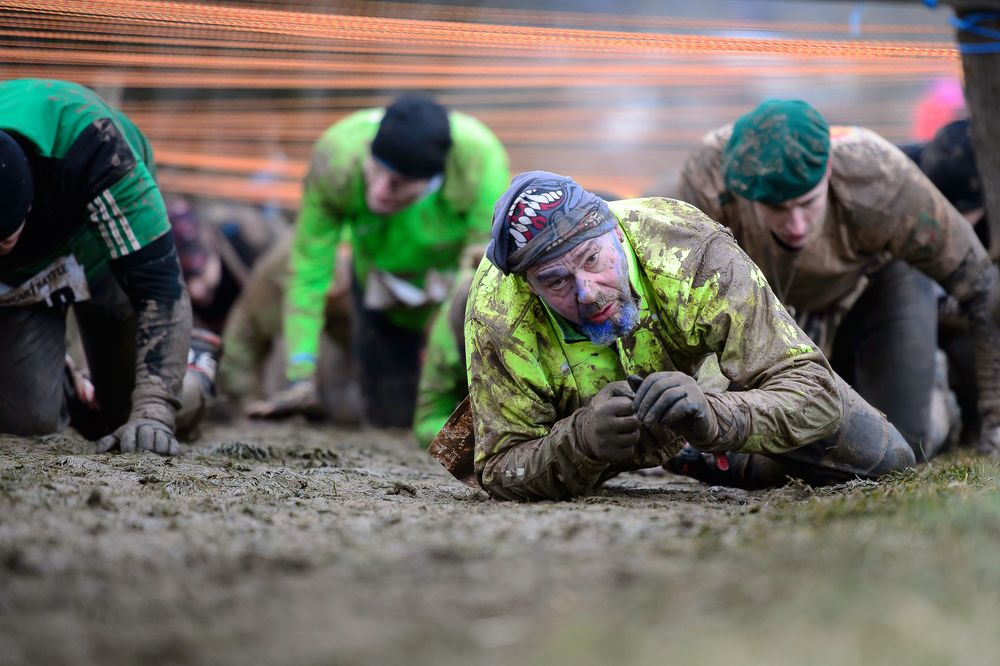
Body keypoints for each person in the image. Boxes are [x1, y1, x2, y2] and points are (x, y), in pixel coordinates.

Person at [465, 171, 914, 502]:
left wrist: (718, 415)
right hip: (577, 416)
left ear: (617, 234)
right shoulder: (497, 314)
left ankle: (687, 447)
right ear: (527, 284)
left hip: (712, 385)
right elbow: (496, 467)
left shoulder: (690, 249)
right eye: (556, 282)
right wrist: (581, 441)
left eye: (592, 260)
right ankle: (665, 441)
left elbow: (812, 391)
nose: (586, 291)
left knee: (888, 459)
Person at [673, 100, 1000, 460]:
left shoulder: (880, 176)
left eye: (807, 203)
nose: (795, 225)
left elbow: (982, 286)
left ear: (828, 169)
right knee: (747, 444)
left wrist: (996, 421)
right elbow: (681, 302)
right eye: (777, 209)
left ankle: (936, 395)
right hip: (761, 306)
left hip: (873, 290)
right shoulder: (706, 180)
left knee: (902, 447)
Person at [247, 93, 509, 428]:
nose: (380, 191)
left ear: (431, 181)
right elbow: (310, 270)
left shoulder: (478, 163)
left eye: (398, 184)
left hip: (447, 291)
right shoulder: (337, 157)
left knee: (447, 409)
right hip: (379, 292)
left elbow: (478, 276)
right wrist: (301, 373)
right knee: (391, 416)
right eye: (376, 170)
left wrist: (442, 362)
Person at [0, 78, 217, 454]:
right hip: (24, 279)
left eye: (2, 240)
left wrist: (155, 409)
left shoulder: (98, 150)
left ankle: (196, 363)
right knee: (25, 424)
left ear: (29, 208)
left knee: (130, 414)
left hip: (103, 253)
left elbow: (160, 289)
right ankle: (67, 381)